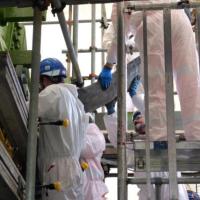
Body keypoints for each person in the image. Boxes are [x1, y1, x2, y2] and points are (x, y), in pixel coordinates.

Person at [99, 1, 200, 141]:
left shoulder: (119, 4)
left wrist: (108, 65)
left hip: (153, 24)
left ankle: (160, 139)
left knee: (157, 87)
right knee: (191, 83)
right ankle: (197, 137)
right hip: (181, 19)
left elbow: (120, 37)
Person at [38, 58, 88, 200]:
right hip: (73, 167)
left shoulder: (53, 92)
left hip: (58, 169)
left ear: (45, 78)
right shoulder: (77, 103)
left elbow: (27, 108)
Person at [81, 114, 108, 200]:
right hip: (88, 185)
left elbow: (81, 148)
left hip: (92, 188)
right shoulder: (90, 134)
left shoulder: (94, 135)